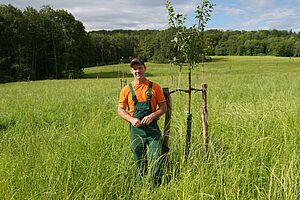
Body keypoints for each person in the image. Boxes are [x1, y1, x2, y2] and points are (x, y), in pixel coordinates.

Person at [118, 58, 167, 186]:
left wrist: (152, 116)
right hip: (136, 129)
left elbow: (164, 107)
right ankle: (139, 186)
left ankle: (154, 185)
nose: (137, 71)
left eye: (140, 68)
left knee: (156, 155)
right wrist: (131, 119)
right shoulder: (126, 89)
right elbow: (120, 110)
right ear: (131, 71)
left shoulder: (155, 87)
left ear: (145, 68)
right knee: (138, 158)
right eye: (135, 69)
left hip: (152, 129)